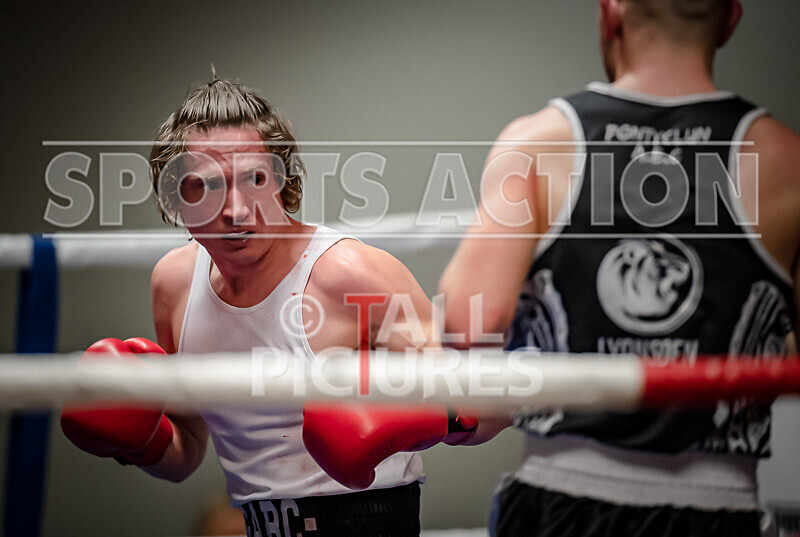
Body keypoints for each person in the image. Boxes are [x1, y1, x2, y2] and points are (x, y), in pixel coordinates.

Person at [439, 0, 800, 535]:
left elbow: (469, 321)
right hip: (721, 504)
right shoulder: (784, 158)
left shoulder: (539, 141)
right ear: (730, 22)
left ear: (610, 15)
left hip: (563, 497)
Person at [59, 78, 478, 537]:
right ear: (177, 197)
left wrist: (436, 414)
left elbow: (487, 405)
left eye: (254, 179)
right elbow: (188, 451)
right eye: (207, 186)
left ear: (281, 178)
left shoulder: (352, 274)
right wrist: (137, 441)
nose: (236, 210)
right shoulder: (174, 284)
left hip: (373, 521)